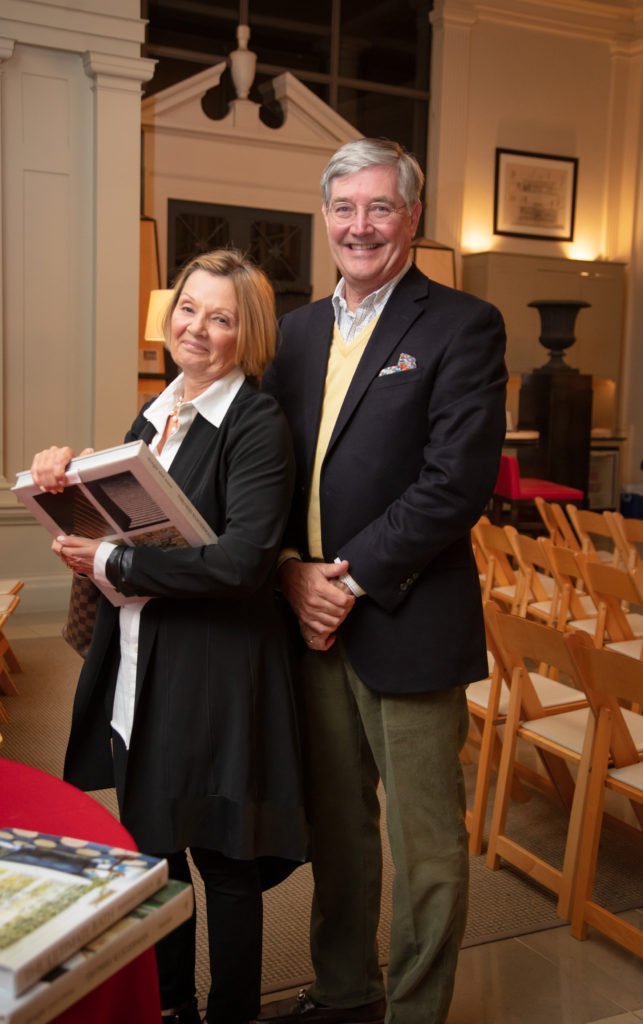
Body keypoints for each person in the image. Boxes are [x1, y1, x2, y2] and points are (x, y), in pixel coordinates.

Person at [256, 139, 507, 1024]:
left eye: (379, 207)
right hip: (308, 620)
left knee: (426, 845)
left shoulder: (461, 325)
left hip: (405, 615)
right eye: (344, 208)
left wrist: (347, 578)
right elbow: (268, 471)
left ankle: (414, 1012)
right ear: (324, 218)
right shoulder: (292, 332)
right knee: (339, 831)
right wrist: (290, 573)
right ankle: (341, 992)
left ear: (410, 216)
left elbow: (455, 483)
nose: (359, 225)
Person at [30, 249, 307, 1024]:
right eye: (188, 308)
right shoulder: (159, 410)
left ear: (244, 334)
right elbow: (127, 513)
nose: (197, 328)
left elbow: (245, 562)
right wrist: (67, 476)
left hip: (215, 676)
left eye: (220, 318)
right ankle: (172, 1008)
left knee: (224, 860)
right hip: (141, 663)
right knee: (153, 851)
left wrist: (112, 557)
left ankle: (232, 1015)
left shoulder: (256, 423)